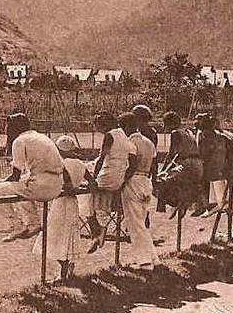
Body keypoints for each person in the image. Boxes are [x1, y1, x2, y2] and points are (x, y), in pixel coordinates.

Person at [0, 113, 65, 243]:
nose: (6, 129)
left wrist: (1, 182)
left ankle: (17, 226)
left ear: (14, 127)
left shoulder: (19, 141)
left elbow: (15, 176)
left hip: (41, 187)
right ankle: (32, 223)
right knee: (19, 187)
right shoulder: (41, 137)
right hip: (57, 185)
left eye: (7, 126)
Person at [33, 135, 91, 282]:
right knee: (67, 235)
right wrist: (80, 187)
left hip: (61, 203)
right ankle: (65, 271)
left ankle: (63, 274)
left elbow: (65, 185)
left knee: (54, 236)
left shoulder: (60, 164)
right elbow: (93, 183)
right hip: (73, 203)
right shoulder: (80, 164)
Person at [85, 111, 137, 252]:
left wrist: (93, 179)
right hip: (117, 179)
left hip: (107, 177)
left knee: (84, 197)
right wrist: (123, 179)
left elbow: (101, 160)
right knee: (93, 200)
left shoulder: (110, 136)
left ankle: (96, 232)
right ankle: (97, 231)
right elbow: (131, 164)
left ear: (103, 125)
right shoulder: (123, 135)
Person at [120, 113, 160, 267]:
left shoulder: (130, 142)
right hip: (146, 181)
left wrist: (122, 181)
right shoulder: (148, 142)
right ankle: (152, 257)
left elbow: (131, 165)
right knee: (141, 222)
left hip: (134, 181)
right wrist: (153, 182)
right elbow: (155, 165)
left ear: (126, 127)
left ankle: (144, 261)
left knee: (135, 224)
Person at [158, 111, 204, 218]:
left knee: (160, 181)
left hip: (187, 165)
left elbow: (172, 155)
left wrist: (163, 170)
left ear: (170, 124)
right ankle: (186, 200)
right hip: (198, 165)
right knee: (173, 177)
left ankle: (179, 203)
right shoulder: (188, 132)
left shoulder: (175, 133)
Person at [196, 113, 228, 217]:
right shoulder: (210, 133)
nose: (196, 122)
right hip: (214, 162)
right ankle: (214, 204)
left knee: (209, 183)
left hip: (209, 162)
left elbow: (204, 149)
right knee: (213, 182)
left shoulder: (205, 133)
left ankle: (211, 205)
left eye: (199, 120)